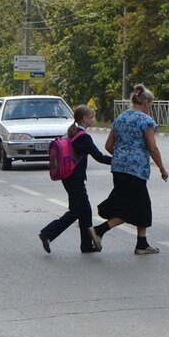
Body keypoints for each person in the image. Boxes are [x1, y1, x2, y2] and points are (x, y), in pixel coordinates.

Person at [89, 84, 168, 255]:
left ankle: (142, 243)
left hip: (118, 169)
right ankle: (99, 230)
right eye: (151, 103)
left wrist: (121, 157)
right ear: (146, 102)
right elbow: (153, 148)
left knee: (141, 206)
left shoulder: (120, 118)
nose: (151, 107)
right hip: (136, 171)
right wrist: (162, 169)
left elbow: (109, 146)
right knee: (133, 206)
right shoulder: (146, 121)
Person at [39, 106, 112, 253]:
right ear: (85, 118)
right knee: (76, 210)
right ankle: (48, 233)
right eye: (92, 117)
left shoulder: (72, 132)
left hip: (68, 176)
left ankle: (86, 245)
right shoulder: (84, 137)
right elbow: (99, 157)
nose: (94, 119)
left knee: (85, 210)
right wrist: (118, 161)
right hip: (75, 178)